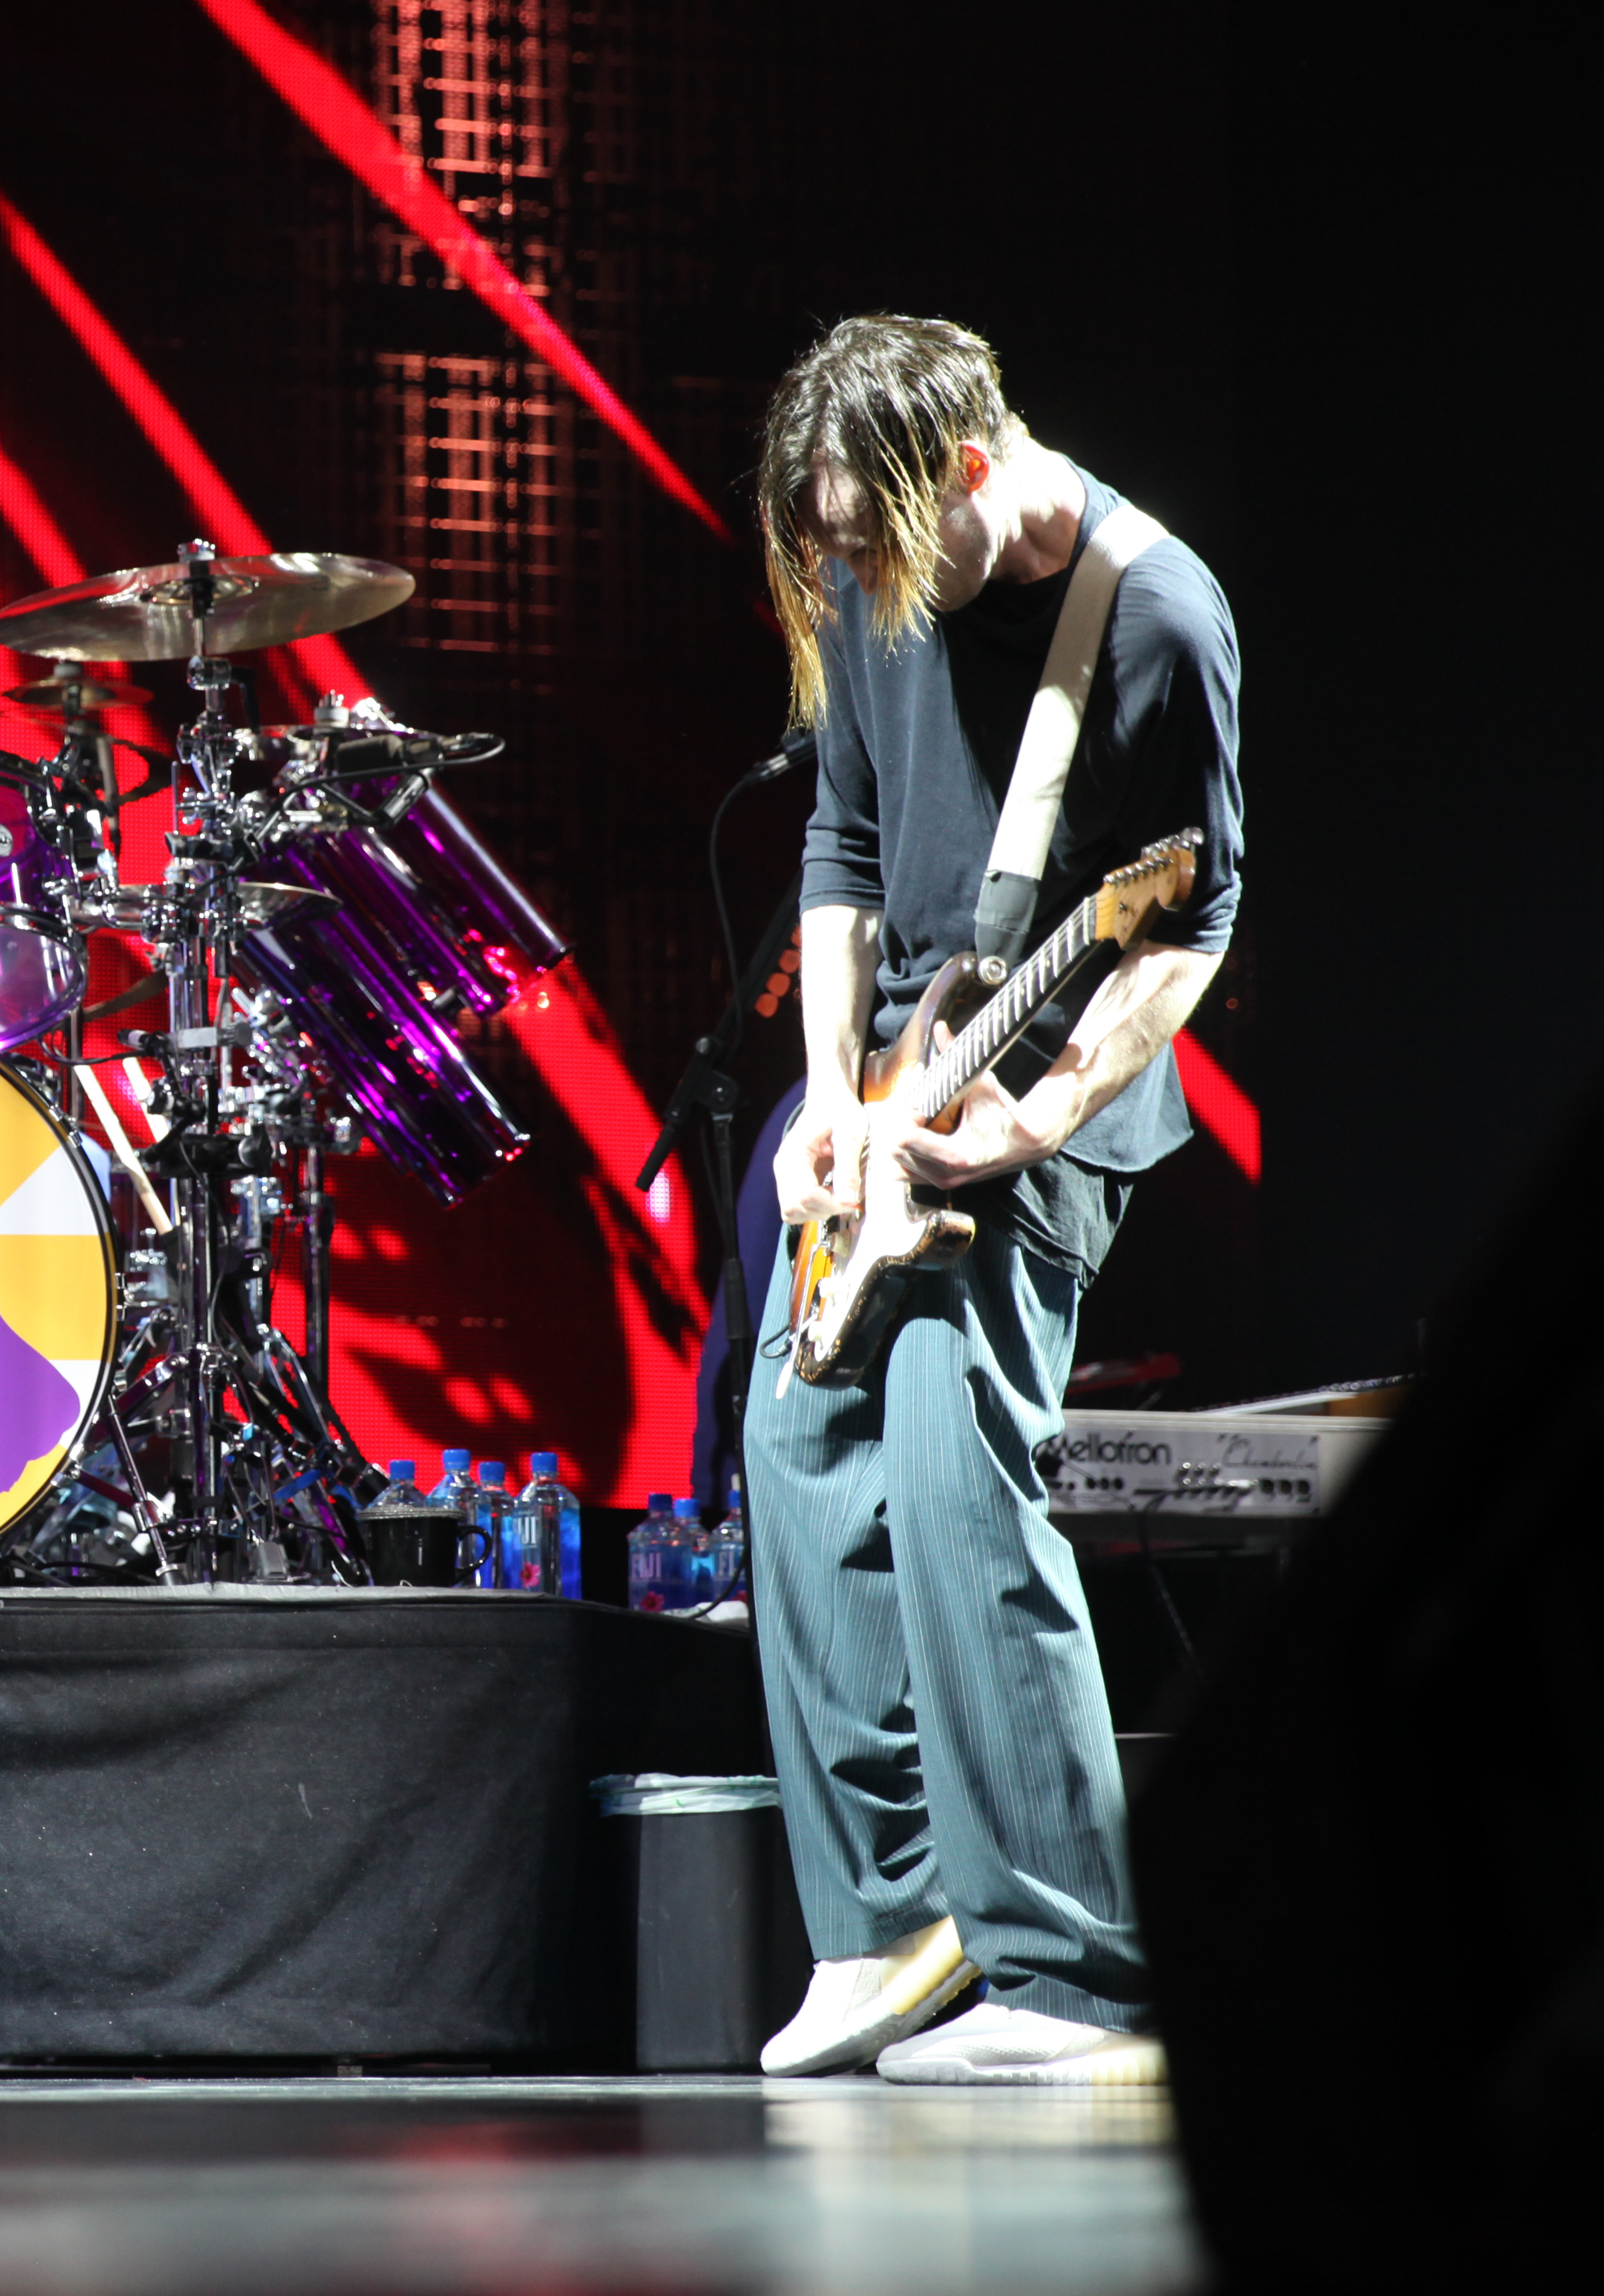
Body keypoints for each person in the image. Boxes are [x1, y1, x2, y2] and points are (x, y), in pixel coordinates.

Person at [740, 314, 1241, 2085]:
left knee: (960, 1480)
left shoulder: (1151, 613)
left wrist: (1033, 1116)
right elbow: (845, 845)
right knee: (792, 1461)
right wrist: (827, 1092)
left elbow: (1182, 927)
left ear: (966, 465)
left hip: (1041, 1105)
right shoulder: (883, 593)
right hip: (889, 1090)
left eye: (878, 538)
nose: (862, 582)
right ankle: (884, 1925)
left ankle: (1073, 1975)